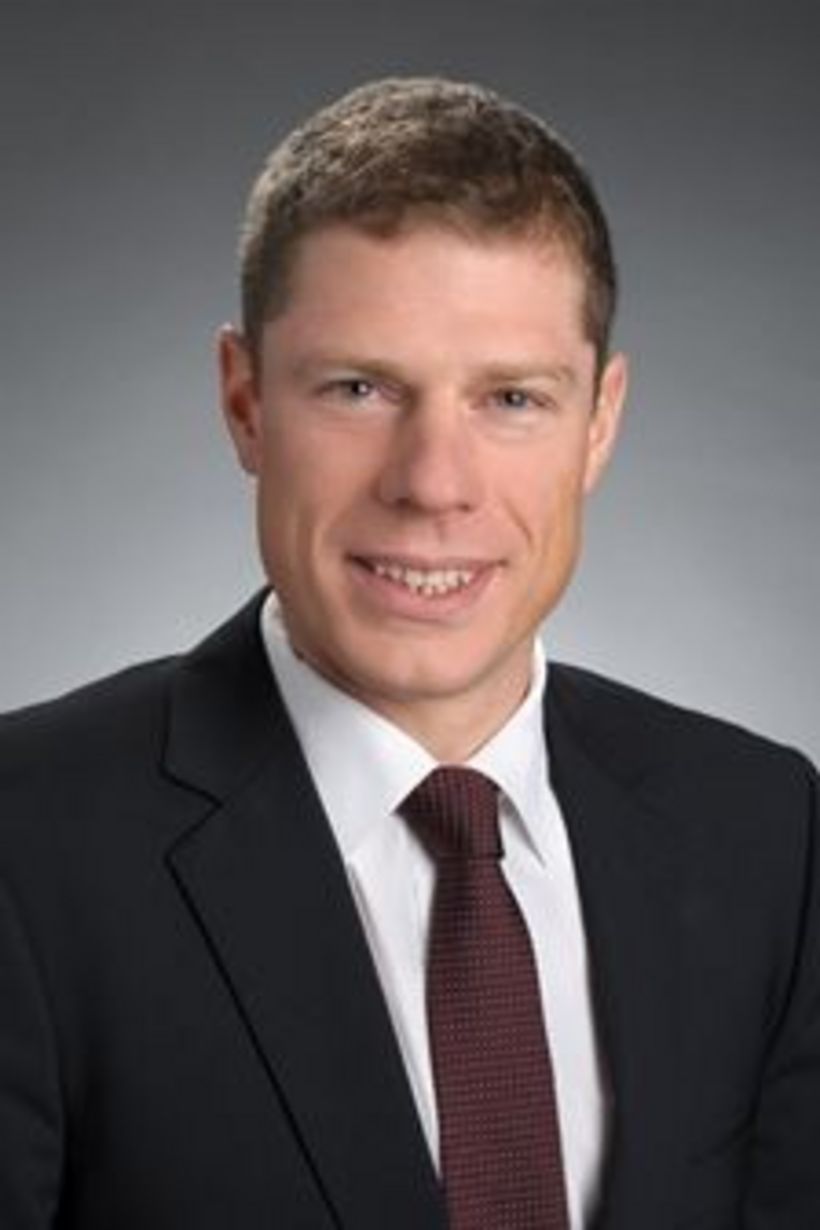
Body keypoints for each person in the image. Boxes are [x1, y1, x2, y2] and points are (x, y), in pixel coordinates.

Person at [0, 77, 817, 1230]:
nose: (433, 483)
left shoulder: (763, 832)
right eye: (359, 388)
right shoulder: (28, 845)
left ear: (599, 422)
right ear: (245, 402)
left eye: (511, 399)